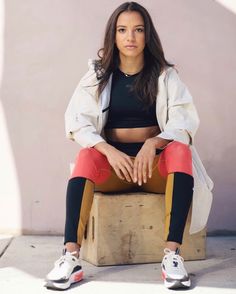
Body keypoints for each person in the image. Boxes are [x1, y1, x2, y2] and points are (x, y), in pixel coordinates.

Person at [45, 1, 213, 290]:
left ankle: (172, 256)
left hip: (153, 169)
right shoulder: (98, 75)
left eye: (138, 30)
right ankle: (70, 257)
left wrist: (155, 142)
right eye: (123, 30)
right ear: (114, 35)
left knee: (180, 150)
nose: (130, 37)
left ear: (148, 35)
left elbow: (185, 121)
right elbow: (76, 123)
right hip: (115, 170)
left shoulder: (165, 75)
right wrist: (108, 150)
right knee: (86, 155)